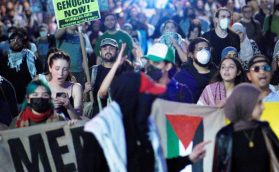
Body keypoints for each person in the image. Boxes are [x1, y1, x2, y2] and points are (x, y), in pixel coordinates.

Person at [81, 43, 208, 172]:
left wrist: (188, 159)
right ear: (133, 99)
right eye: (146, 96)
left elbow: (156, 164)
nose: (150, 101)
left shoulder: (144, 127)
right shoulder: (99, 132)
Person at [212, 83, 279, 172]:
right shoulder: (224, 136)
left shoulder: (265, 129)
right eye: (259, 103)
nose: (263, 107)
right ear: (246, 104)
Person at [0, 27, 42, 105]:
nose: (16, 42)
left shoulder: (31, 57)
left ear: (23, 43)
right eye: (13, 40)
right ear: (9, 43)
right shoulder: (3, 60)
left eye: (19, 40)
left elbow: (39, 74)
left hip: (29, 96)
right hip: (9, 98)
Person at [42, 51, 83, 119]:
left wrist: (69, 106)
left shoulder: (76, 88)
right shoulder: (42, 89)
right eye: (57, 69)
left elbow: (79, 118)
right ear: (50, 68)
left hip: (71, 128)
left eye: (65, 69)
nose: (60, 73)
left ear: (69, 70)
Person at [174, 37, 217, 102]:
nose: (204, 52)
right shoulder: (182, 76)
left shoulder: (218, 73)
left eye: (206, 49)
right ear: (191, 55)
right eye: (200, 49)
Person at [86, 38, 120, 117]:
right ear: (100, 52)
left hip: (117, 114)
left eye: (111, 48)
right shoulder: (93, 71)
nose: (108, 51)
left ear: (117, 52)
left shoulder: (123, 71)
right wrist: (86, 91)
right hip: (97, 114)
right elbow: (85, 98)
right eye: (105, 49)